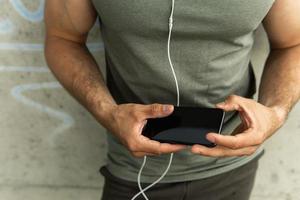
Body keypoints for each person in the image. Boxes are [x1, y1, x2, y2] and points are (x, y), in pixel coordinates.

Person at [44, 0, 300, 199]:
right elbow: (63, 38)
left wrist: (275, 113)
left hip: (230, 167)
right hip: (135, 168)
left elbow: (293, 44)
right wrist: (107, 112)